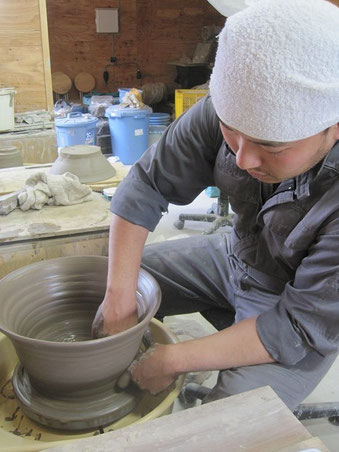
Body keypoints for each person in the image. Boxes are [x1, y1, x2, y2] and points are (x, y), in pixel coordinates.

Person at [92, 0, 339, 411]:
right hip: (236, 254)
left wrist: (173, 359)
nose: (242, 158)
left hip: (295, 307)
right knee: (120, 279)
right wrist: (119, 297)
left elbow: (296, 325)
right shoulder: (231, 109)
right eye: (231, 134)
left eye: (270, 146)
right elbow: (146, 184)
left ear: (332, 127)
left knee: (225, 423)